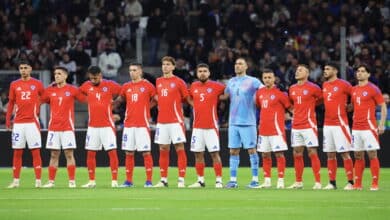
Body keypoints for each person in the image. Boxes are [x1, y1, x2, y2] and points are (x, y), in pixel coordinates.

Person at [40, 67, 86, 188]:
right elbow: (40, 99)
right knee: (54, 154)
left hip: (67, 128)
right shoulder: (50, 90)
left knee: (69, 154)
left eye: (59, 74)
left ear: (65, 76)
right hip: (53, 128)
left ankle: (72, 181)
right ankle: (51, 181)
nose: (56, 76)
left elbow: (84, 99)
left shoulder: (72, 90)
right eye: (55, 74)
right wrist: (48, 87)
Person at [221, 57, 263, 188]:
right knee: (233, 151)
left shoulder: (253, 81)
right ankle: (233, 180)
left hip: (248, 121)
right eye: (236, 64)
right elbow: (224, 96)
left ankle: (255, 180)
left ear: (246, 66)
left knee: (252, 150)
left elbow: (264, 92)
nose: (237, 66)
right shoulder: (231, 81)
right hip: (233, 122)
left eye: (240, 64)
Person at [79, 66, 121, 188]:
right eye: (91, 78)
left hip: (107, 125)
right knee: (90, 153)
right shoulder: (86, 85)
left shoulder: (110, 84)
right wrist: (86, 100)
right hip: (92, 126)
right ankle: (91, 181)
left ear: (100, 75)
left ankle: (114, 181)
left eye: (95, 78)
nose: (93, 80)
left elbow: (123, 92)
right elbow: (77, 93)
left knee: (112, 153)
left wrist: (116, 103)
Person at [153, 56, 191, 188]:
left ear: (173, 67)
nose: (165, 67)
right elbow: (156, 98)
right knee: (163, 149)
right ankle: (163, 179)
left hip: (176, 121)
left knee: (179, 148)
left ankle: (181, 179)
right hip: (162, 121)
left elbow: (187, 99)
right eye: (163, 64)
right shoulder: (158, 81)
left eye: (168, 64)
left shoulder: (179, 82)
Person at [6, 60, 44, 188]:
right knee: (17, 152)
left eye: (25, 68)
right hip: (18, 123)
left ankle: (38, 180)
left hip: (32, 123)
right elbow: (11, 103)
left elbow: (44, 97)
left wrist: (37, 108)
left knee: (35, 151)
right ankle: (16, 181)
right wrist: (8, 120)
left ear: (30, 69)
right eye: (21, 68)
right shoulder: (14, 84)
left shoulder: (37, 84)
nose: (23, 70)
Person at [117, 63, 156, 188]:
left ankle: (149, 181)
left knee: (146, 153)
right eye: (130, 70)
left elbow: (156, 99)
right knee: (129, 153)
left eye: (134, 70)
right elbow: (119, 100)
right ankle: (128, 181)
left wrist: (146, 108)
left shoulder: (148, 86)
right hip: (128, 124)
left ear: (140, 71)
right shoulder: (126, 86)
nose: (132, 72)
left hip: (142, 125)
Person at [187, 63, 225, 188]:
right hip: (197, 127)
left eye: (204, 71)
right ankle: (200, 180)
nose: (202, 73)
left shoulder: (216, 86)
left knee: (214, 153)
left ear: (209, 73)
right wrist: (195, 105)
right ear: (197, 73)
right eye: (200, 71)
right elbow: (188, 98)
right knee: (198, 154)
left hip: (211, 127)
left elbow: (227, 93)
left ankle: (219, 180)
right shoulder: (193, 86)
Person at [351, 64, 387, 191]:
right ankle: (358, 184)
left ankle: (375, 183)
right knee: (358, 155)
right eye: (358, 71)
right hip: (356, 128)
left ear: (368, 74)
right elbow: (353, 106)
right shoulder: (353, 90)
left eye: (362, 71)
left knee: (372, 154)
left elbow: (382, 106)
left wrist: (381, 124)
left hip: (369, 127)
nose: (359, 73)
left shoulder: (373, 89)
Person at [287, 64, 323, 190]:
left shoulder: (314, 88)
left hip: (309, 124)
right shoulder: (292, 88)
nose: (297, 72)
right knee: (297, 152)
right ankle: (298, 182)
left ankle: (318, 182)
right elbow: (291, 104)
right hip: (296, 125)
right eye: (296, 70)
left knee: (312, 152)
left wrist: (311, 107)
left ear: (307, 73)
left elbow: (321, 99)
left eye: (300, 70)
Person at [255, 69, 292, 189]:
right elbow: (259, 106)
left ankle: (280, 180)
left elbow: (290, 107)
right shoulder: (259, 92)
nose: (267, 80)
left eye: (269, 77)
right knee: (265, 155)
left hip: (276, 129)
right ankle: (267, 181)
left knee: (279, 154)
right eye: (265, 78)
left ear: (274, 78)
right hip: (263, 129)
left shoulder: (280, 93)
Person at [321, 62, 354, 190]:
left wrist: (352, 106)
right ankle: (332, 182)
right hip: (327, 124)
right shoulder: (324, 84)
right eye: (324, 69)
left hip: (340, 124)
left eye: (328, 69)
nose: (325, 71)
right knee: (330, 154)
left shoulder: (344, 84)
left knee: (344, 153)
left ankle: (350, 182)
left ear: (335, 71)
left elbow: (355, 95)